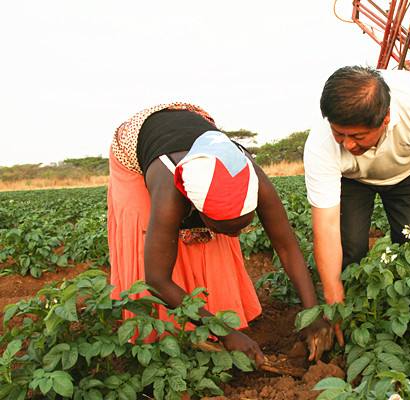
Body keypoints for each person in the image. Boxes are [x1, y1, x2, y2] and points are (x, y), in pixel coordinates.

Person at [108, 103, 332, 366]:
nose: (236, 235)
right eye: (227, 229)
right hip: (137, 145)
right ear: (200, 212)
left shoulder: (251, 177)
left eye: (241, 227)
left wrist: (312, 313)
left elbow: (287, 247)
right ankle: (163, 342)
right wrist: (225, 333)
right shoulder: (168, 191)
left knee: (212, 244)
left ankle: (209, 321)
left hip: (191, 127)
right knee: (149, 234)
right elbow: (156, 279)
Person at [304, 66, 410, 323]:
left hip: (408, 172)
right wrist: (333, 298)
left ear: (386, 118)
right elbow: (326, 225)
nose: (348, 144)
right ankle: (355, 312)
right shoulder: (321, 145)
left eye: (358, 136)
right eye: (339, 134)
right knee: (351, 248)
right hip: (352, 180)